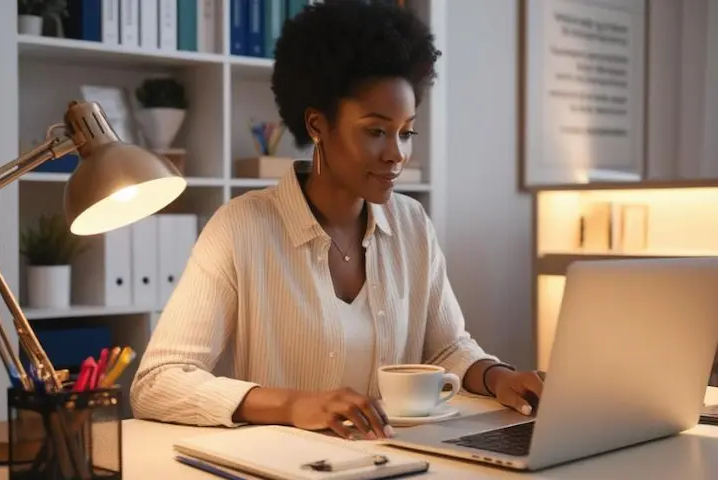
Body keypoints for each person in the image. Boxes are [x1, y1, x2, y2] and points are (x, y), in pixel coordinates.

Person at [130, 0, 543, 441]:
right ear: (316, 124)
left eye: (406, 132)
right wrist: (293, 404)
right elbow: (158, 381)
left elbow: (446, 348)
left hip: (395, 461)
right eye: (376, 131)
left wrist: (500, 377)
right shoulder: (240, 228)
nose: (397, 154)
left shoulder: (412, 224)